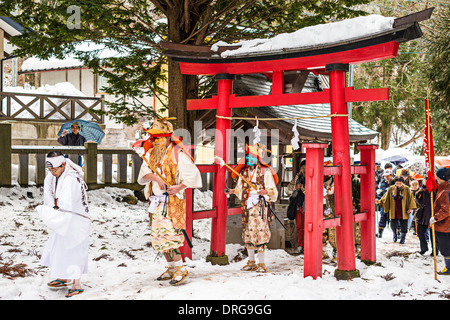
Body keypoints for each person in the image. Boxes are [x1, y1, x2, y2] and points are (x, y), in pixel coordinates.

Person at [137, 118, 202, 285]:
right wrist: (156, 179)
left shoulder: (177, 154)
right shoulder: (150, 155)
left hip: (172, 201)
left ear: (167, 137)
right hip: (156, 202)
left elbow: (192, 175)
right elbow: (143, 175)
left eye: (159, 138)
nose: (156, 141)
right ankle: (171, 267)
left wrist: (179, 187)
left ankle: (181, 267)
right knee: (159, 237)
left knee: (169, 236)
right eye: (154, 138)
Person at [37, 151, 90, 298]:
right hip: (63, 216)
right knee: (59, 248)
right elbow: (48, 193)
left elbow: (67, 203)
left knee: (74, 250)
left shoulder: (71, 179)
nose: (52, 172)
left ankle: (76, 283)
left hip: (76, 218)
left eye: (55, 169)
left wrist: (56, 209)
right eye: (50, 170)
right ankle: (63, 276)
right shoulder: (53, 176)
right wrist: (52, 207)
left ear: (64, 164)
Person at [226, 143, 279, 273]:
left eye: (252, 157)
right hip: (248, 205)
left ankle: (261, 263)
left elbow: (273, 190)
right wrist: (233, 191)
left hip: (260, 206)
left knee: (260, 232)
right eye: (248, 157)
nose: (250, 160)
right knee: (248, 232)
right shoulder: (244, 172)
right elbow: (240, 189)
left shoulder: (265, 172)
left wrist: (265, 192)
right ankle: (251, 261)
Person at [381, 175, 417, 244]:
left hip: (403, 209)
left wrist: (410, 208)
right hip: (394, 208)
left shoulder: (406, 189)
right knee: (393, 224)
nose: (398, 185)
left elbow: (411, 199)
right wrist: (380, 201)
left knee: (404, 225)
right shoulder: (391, 188)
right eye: (397, 183)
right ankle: (394, 234)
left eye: (400, 183)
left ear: (402, 183)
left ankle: (403, 238)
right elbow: (386, 197)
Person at [430, 168, 450, 275]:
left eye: (436, 176)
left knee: (445, 248)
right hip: (445, 225)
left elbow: (446, 209)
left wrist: (436, 218)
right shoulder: (443, 188)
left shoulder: (446, 190)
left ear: (442, 177)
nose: (435, 178)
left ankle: (449, 268)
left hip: (445, 225)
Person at [286, 159, 306, 254]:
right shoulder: (297, 177)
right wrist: (296, 187)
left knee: (308, 227)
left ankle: (308, 245)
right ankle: (300, 245)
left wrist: (304, 189)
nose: (304, 169)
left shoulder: (312, 177)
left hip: (308, 204)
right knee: (299, 226)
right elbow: (288, 189)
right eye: (303, 167)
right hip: (298, 205)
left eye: (305, 167)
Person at [415, 181, 435, 255]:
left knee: (433, 235)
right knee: (420, 232)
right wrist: (417, 196)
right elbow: (418, 202)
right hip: (423, 215)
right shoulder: (421, 192)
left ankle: (434, 250)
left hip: (432, 215)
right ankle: (424, 248)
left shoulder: (434, 192)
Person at [376, 169, 394, 238]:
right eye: (385, 176)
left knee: (394, 219)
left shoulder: (395, 182)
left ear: (391, 175)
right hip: (384, 204)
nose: (386, 178)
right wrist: (378, 196)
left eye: (388, 176)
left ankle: (397, 233)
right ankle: (380, 232)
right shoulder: (382, 184)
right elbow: (380, 194)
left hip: (393, 204)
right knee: (383, 217)